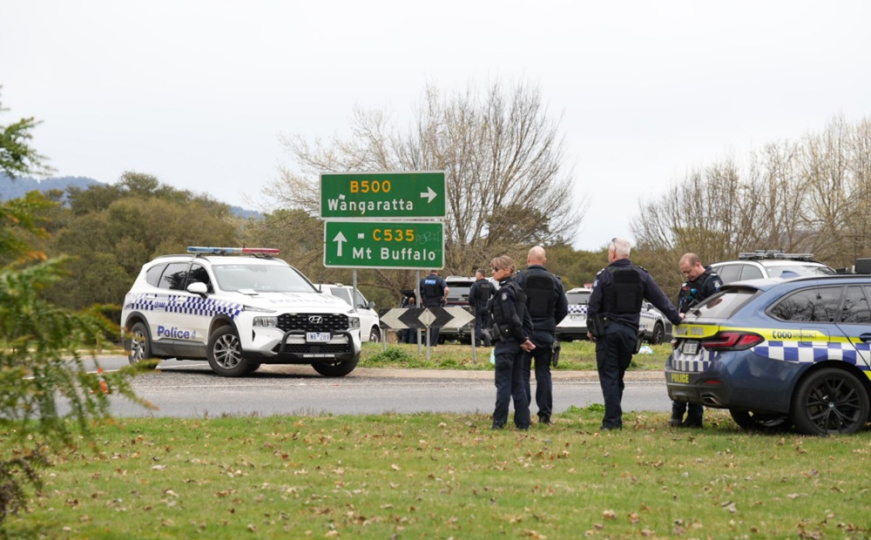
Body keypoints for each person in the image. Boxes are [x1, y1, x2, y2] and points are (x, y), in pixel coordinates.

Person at [586, 238, 682, 431]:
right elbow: (660, 299)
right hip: (629, 334)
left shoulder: (604, 276)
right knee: (618, 376)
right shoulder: (641, 275)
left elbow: (593, 305)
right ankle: (615, 418)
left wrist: (591, 328)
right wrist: (676, 318)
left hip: (608, 333)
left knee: (609, 376)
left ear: (613, 253)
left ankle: (612, 422)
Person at [515, 246, 568, 425]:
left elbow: (513, 305)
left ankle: (523, 414)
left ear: (528, 259)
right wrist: (550, 323)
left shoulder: (520, 278)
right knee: (543, 373)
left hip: (524, 335)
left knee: (523, 374)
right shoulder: (555, 281)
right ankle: (545, 415)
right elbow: (563, 309)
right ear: (544, 260)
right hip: (545, 334)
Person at [671, 253, 723, 428]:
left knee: (695, 376)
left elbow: (717, 305)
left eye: (688, 271)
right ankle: (676, 415)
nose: (687, 275)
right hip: (685, 335)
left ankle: (694, 418)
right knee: (680, 374)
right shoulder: (687, 284)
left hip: (701, 335)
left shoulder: (712, 281)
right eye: (684, 273)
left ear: (698, 264)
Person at [487, 255, 536, 430]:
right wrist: (526, 338)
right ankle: (523, 423)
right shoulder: (518, 290)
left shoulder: (505, 292)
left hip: (506, 343)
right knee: (518, 384)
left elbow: (512, 318)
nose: (493, 272)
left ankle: (498, 422)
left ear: (507, 270)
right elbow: (527, 320)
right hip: (517, 344)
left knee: (503, 384)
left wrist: (522, 339)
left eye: (496, 269)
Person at [419, 269, 449, 346]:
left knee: (427, 323)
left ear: (430, 271)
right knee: (435, 324)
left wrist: (421, 299)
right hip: (436, 304)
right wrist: (444, 298)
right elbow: (446, 289)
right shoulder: (440, 280)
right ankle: (433, 343)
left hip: (427, 304)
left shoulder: (423, 280)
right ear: (437, 272)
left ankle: (426, 342)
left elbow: (416, 291)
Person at [468, 269, 495, 347]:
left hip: (478, 307)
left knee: (478, 325)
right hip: (487, 307)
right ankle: (487, 342)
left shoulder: (476, 285)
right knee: (486, 326)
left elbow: (471, 298)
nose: (475, 276)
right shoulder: (490, 285)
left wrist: (473, 305)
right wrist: (491, 304)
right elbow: (497, 294)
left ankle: (477, 343)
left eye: (476, 275)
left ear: (479, 275)